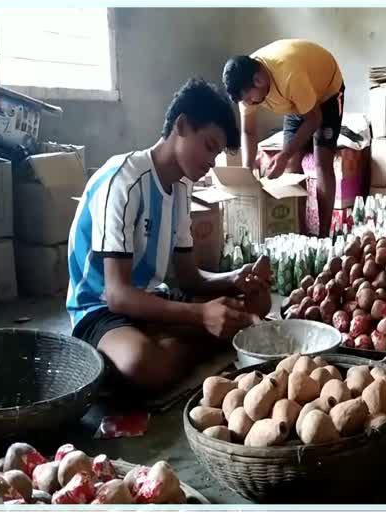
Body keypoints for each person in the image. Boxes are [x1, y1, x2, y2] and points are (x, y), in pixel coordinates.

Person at [67, 78, 271, 396]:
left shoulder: (180, 187)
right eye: (208, 146)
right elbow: (118, 295)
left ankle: (173, 341)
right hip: (99, 309)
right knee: (143, 363)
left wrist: (237, 278)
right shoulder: (125, 180)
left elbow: (190, 278)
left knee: (245, 309)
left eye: (217, 153)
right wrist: (200, 316)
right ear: (182, 125)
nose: (211, 161)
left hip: (151, 299)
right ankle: (165, 346)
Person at [222, 39, 345, 237]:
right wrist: (248, 169)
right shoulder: (246, 86)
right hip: (296, 101)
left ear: (259, 81)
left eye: (249, 99)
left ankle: (323, 235)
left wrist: (284, 154)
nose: (249, 104)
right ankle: (300, 232)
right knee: (290, 168)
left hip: (326, 92)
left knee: (322, 160)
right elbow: (248, 132)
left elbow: (314, 119)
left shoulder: (289, 75)